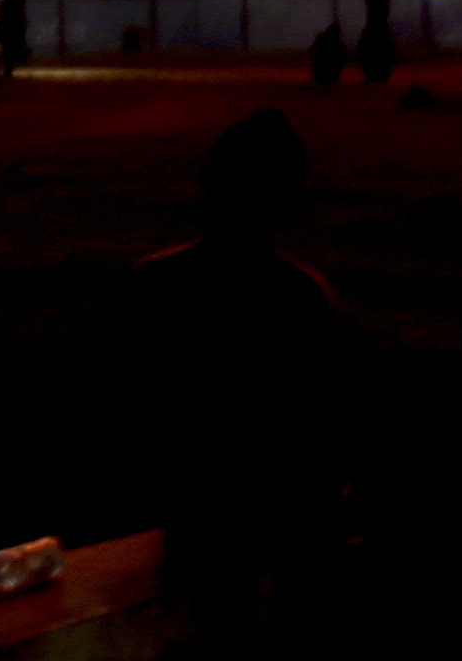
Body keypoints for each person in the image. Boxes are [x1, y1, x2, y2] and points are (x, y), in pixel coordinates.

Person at [123, 110, 358, 623]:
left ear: (210, 183)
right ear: (287, 199)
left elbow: (135, 412)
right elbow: (326, 430)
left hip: (190, 516)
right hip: (276, 524)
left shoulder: (154, 283)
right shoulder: (299, 296)